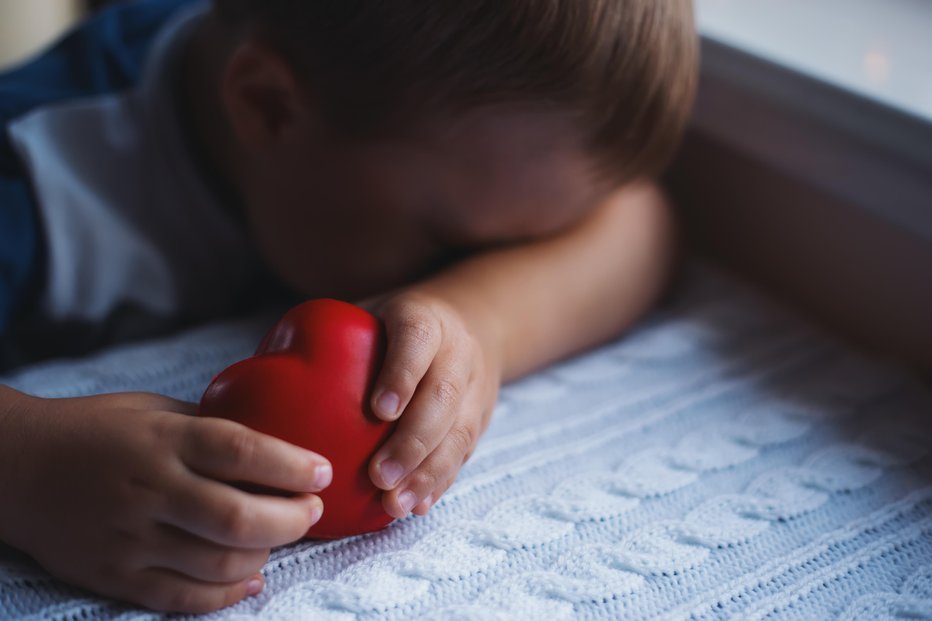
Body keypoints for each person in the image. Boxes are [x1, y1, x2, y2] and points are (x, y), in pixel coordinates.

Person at [0, 0, 697, 613]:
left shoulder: (378, 106)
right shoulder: (33, 181)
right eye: (450, 243)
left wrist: (478, 317)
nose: (456, 265)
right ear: (269, 107)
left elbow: (642, 222)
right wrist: (27, 467)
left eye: (516, 246)